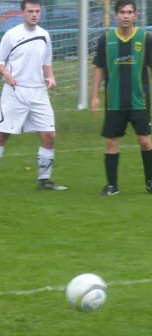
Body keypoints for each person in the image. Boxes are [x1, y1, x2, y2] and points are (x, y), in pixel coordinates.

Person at [0, 0, 67, 192]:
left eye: (37, 11)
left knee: (49, 135)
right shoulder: (11, 35)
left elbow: (46, 63)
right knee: (2, 135)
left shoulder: (44, 35)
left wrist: (51, 77)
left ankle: (45, 180)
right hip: (15, 93)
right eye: (30, 11)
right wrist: (6, 74)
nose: (34, 15)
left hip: (39, 93)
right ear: (22, 12)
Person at [91, 0, 152, 196]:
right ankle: (112, 186)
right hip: (114, 101)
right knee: (112, 142)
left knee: (145, 141)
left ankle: (150, 182)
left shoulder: (145, 38)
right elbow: (99, 69)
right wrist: (94, 97)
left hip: (139, 100)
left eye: (129, 12)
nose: (126, 16)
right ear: (116, 15)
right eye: (122, 12)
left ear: (136, 16)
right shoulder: (105, 39)